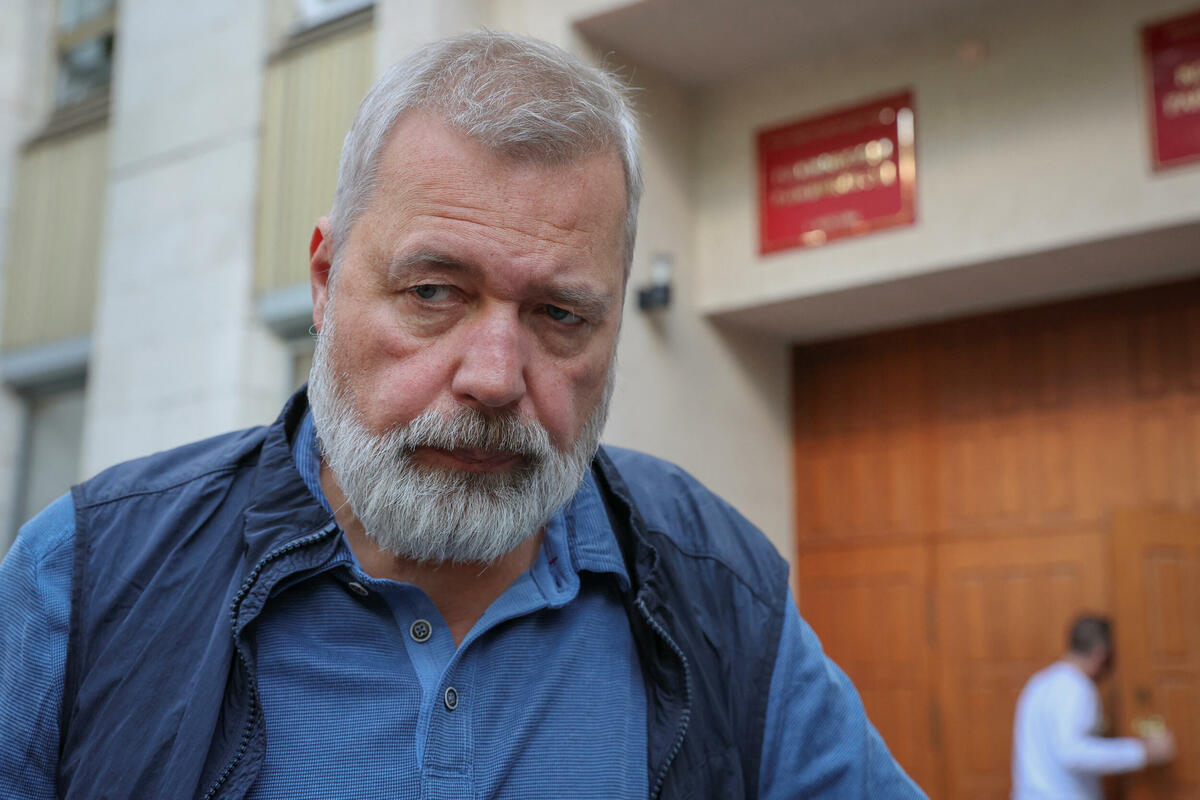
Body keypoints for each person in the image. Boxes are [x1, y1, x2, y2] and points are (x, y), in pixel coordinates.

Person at [0, 30, 925, 799]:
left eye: (560, 315)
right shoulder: (90, 577)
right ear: (324, 280)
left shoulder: (711, 581)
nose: (494, 378)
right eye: (433, 292)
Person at [1012, 614, 1175, 800]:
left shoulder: (1040, 682)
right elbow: (1072, 752)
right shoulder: (1077, 688)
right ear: (1101, 655)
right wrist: (1143, 752)